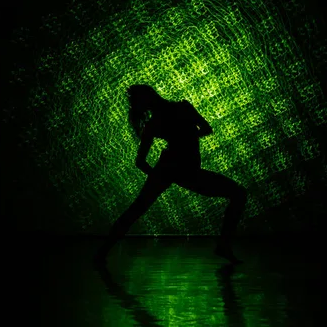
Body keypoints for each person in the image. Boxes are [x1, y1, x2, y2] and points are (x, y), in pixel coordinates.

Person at [94, 84, 247, 264]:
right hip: (185, 170)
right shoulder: (182, 109)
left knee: (136, 210)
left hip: (172, 169)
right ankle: (223, 245)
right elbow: (206, 128)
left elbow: (140, 161)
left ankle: (102, 253)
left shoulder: (154, 123)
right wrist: (188, 136)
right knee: (238, 193)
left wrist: (157, 176)